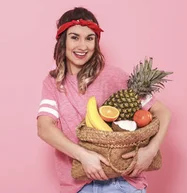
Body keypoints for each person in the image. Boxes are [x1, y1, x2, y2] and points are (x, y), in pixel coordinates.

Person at [36, 7, 171, 193]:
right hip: (78, 186)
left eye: (89, 38)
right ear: (62, 41)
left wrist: (151, 150)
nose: (82, 46)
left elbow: (162, 112)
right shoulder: (53, 83)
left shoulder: (114, 76)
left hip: (122, 183)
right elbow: (44, 127)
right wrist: (83, 156)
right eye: (75, 37)